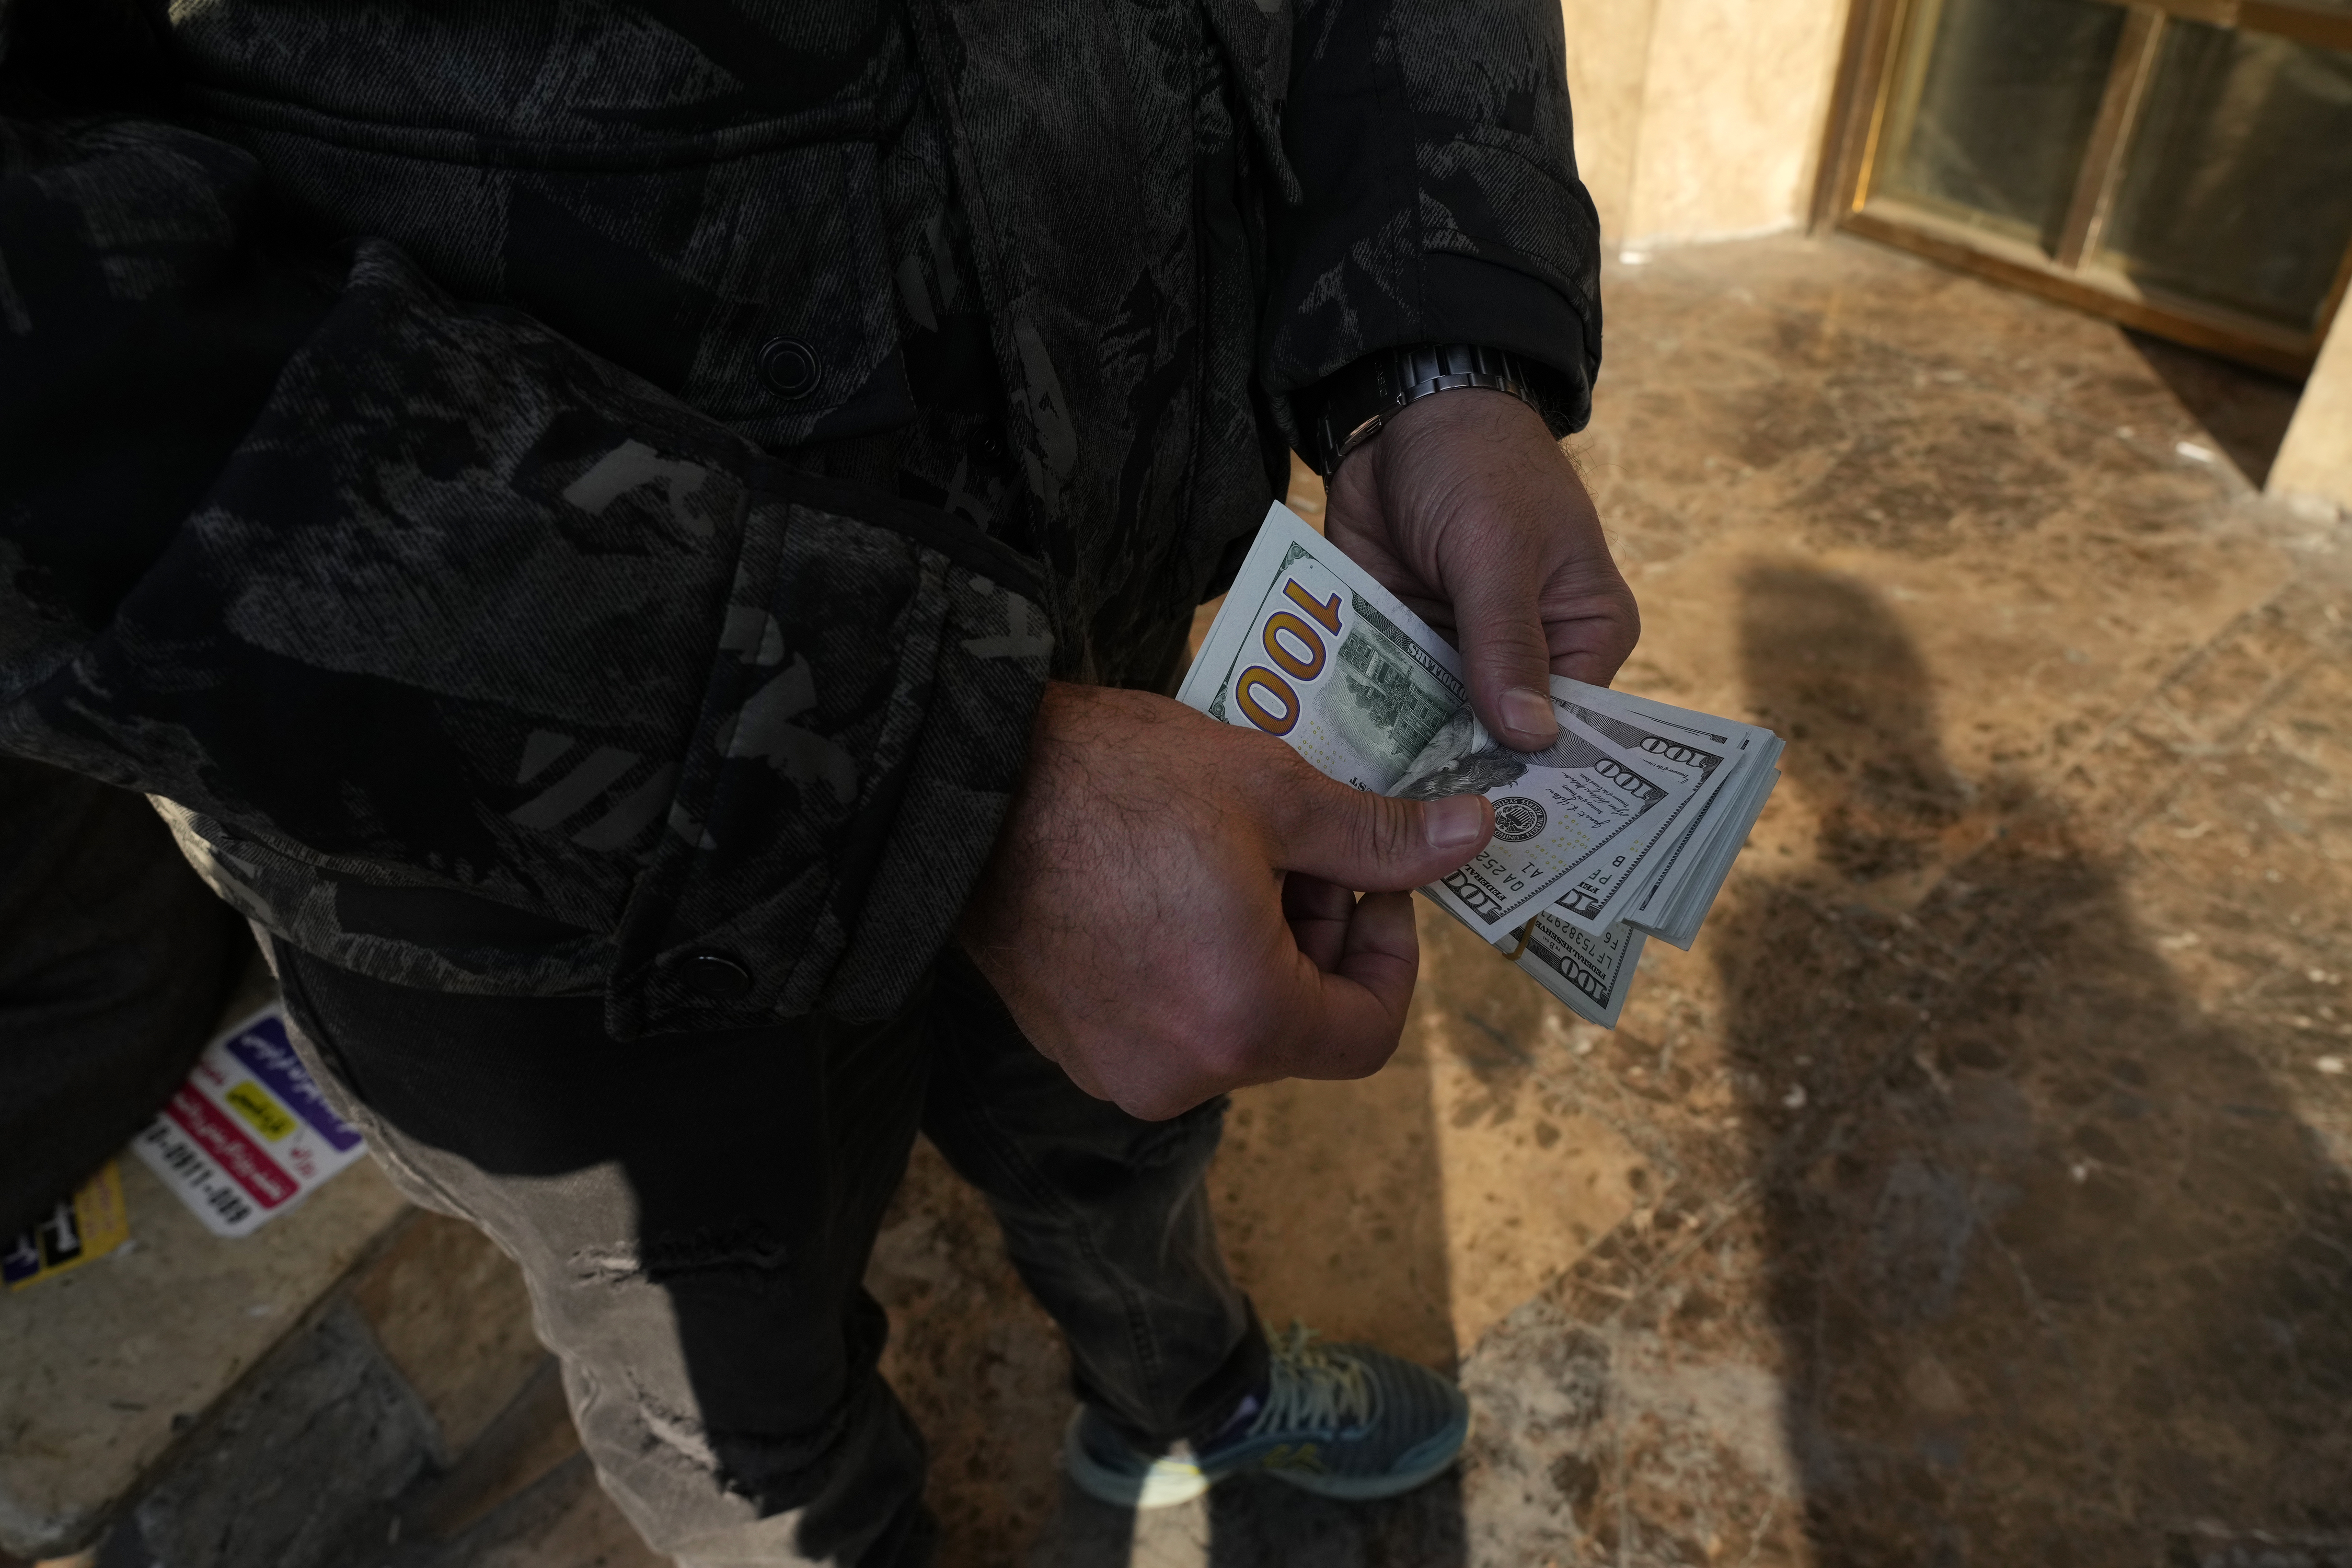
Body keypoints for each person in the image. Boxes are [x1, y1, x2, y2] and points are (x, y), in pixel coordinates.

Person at [0, 1, 1636, 1562]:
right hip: (522, 857)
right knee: (730, 1386)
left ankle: (1187, 1394)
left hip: (1112, 606)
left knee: (1126, 1151)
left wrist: (1437, 336)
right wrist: (939, 776)